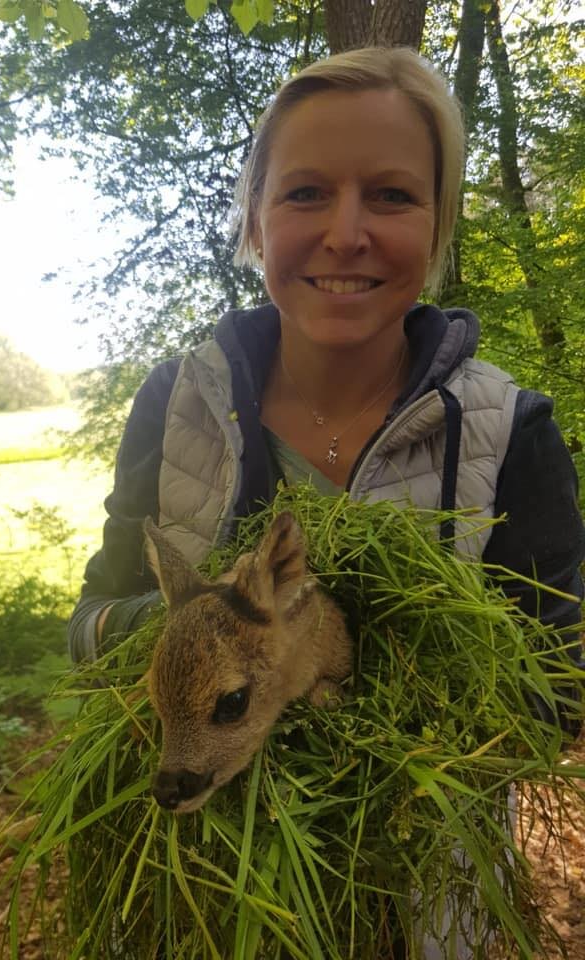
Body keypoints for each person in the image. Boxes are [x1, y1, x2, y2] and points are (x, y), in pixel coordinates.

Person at [68, 45, 584, 956]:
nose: (347, 233)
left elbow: (561, 685)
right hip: (194, 910)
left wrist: (389, 747)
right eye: (305, 193)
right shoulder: (176, 403)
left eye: (391, 195)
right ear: (256, 223)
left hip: (420, 907)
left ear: (439, 224)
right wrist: (185, 630)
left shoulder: (509, 430)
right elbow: (88, 630)